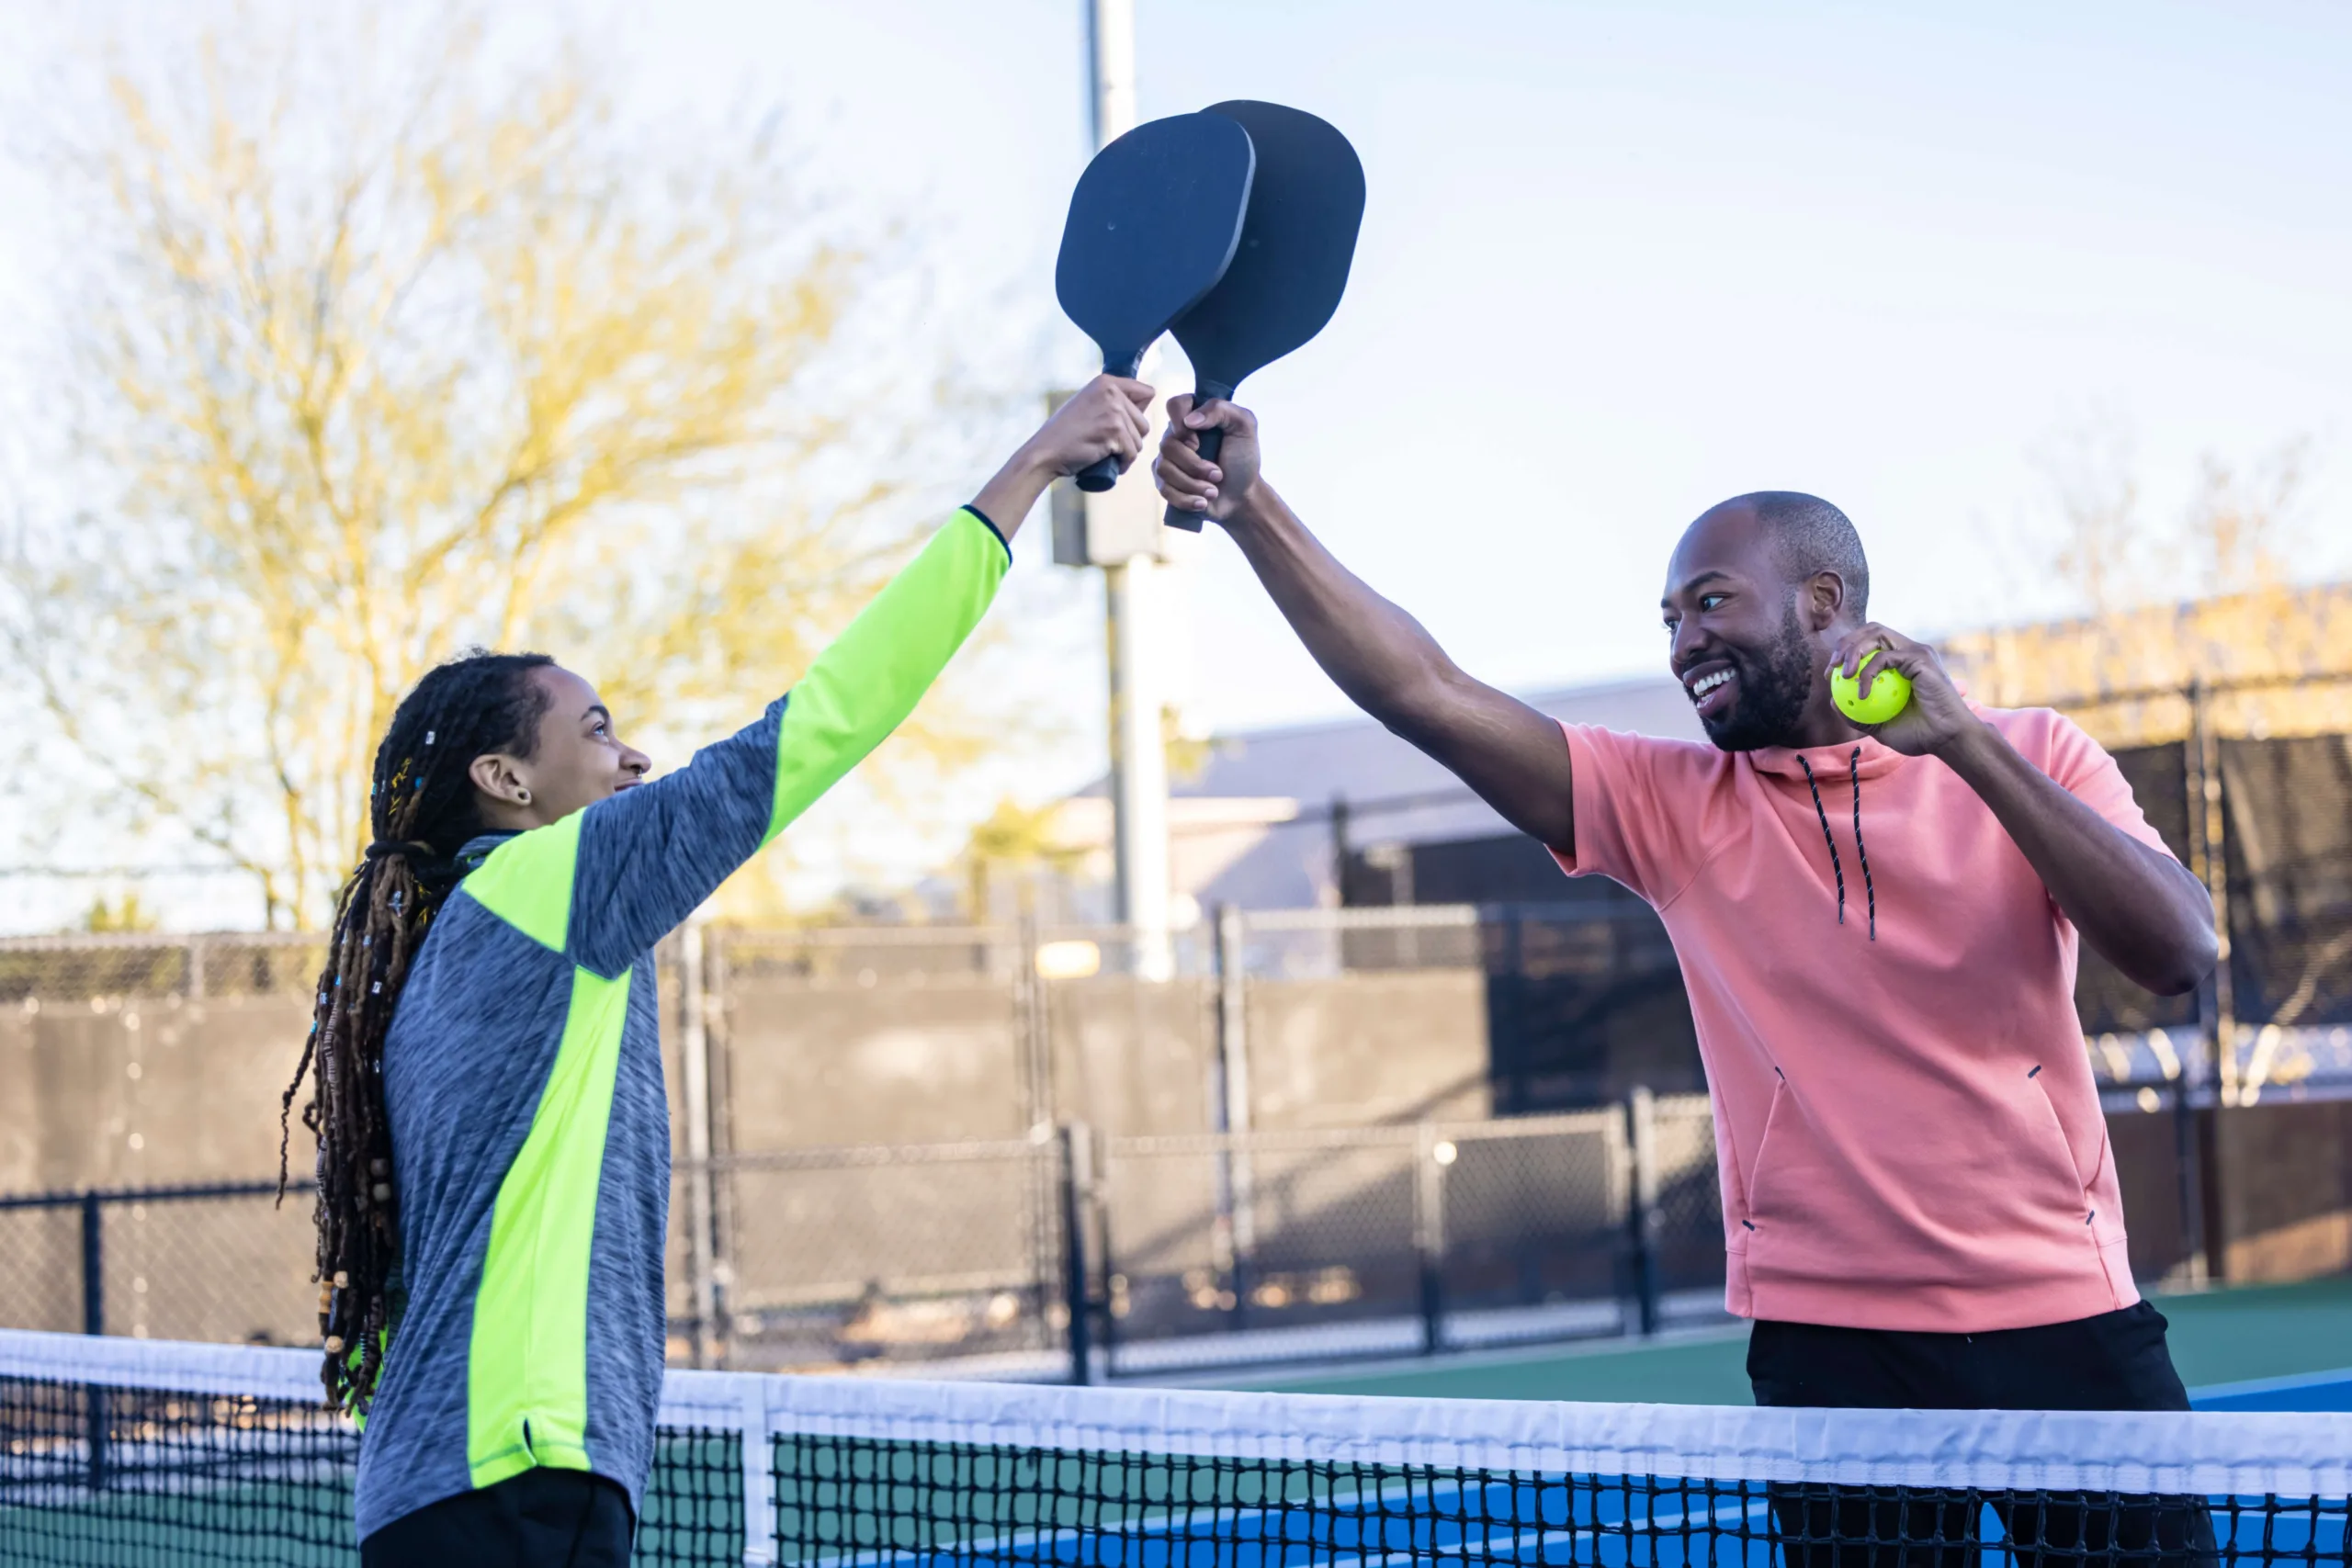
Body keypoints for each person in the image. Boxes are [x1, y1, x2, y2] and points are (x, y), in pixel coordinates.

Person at [1155, 398, 2222, 1563]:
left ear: (1824, 607)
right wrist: (1252, 505)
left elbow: (2177, 952)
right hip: (1831, 1347)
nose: (1681, 644)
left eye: (1710, 602)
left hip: (2062, 1317)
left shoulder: (2036, 753)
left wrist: (1966, 747)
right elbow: (1425, 691)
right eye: (1667, 619)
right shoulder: (1667, 806)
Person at [277, 373, 1154, 1567]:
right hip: (514, 1483)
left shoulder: (449, 951)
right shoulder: (545, 888)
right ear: (507, 779)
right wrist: (1033, 466)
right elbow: (826, 720)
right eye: (592, 728)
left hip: (451, 1489)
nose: (631, 751)